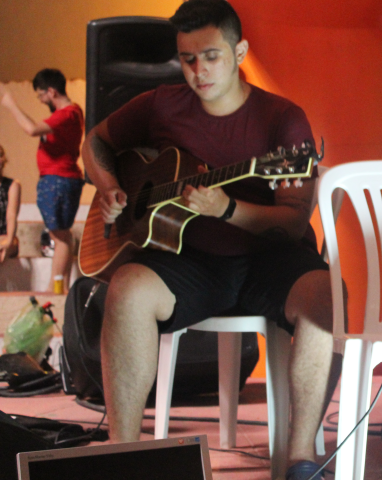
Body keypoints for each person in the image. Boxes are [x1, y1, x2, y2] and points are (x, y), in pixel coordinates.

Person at [80, 2, 338, 479]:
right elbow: (95, 141)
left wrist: (229, 210)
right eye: (188, 58)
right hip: (190, 258)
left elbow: (293, 222)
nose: (198, 71)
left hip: (270, 260)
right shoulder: (161, 104)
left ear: (239, 52)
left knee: (327, 295)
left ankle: (301, 459)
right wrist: (109, 186)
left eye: (212, 56)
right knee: (127, 289)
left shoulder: (282, 119)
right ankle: (123, 455)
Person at [0, 70, 84, 293]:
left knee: (60, 235)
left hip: (59, 180)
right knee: (61, 235)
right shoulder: (69, 114)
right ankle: (58, 285)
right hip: (59, 179)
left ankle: (56, 287)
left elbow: (32, 129)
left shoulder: (68, 113)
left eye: (40, 95)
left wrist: (10, 104)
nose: (40, 100)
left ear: (51, 91)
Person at [0, 145, 21, 262]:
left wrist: (8, 241)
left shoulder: (12, 186)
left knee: (7, 245)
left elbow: (11, 216)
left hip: (5, 237)